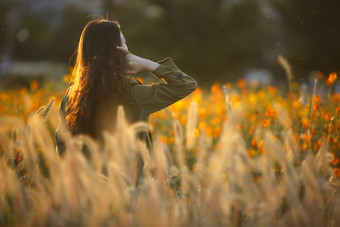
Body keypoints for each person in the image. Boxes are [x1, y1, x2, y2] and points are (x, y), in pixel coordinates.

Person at [55, 18, 197, 164]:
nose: (128, 49)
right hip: (124, 185)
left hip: (83, 184)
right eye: (124, 43)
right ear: (118, 51)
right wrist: (147, 63)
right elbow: (186, 85)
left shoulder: (73, 93)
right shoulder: (131, 92)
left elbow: (62, 145)